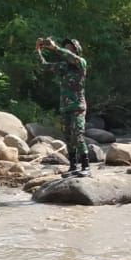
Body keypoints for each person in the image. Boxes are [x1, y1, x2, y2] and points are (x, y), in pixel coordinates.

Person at [38, 37, 91, 178]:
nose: (67, 49)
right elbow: (43, 66)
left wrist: (55, 48)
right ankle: (73, 166)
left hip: (78, 106)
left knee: (77, 135)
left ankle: (86, 166)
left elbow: (70, 57)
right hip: (65, 107)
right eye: (66, 47)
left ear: (76, 50)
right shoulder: (63, 66)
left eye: (70, 47)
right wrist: (37, 50)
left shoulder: (81, 63)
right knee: (67, 137)